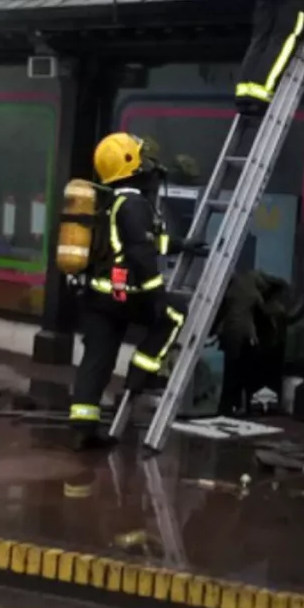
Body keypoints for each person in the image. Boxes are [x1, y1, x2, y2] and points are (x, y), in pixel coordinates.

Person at [68, 132, 206, 445]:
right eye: (142, 156)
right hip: (125, 295)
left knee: (97, 360)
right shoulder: (134, 203)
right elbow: (140, 251)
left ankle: (82, 430)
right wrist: (157, 295)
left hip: (96, 296)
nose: (149, 163)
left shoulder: (110, 201)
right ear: (130, 162)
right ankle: (141, 374)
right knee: (174, 313)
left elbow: (142, 240)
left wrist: (181, 244)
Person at [213, 270, 300, 417]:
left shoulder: (236, 288)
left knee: (232, 372)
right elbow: (268, 310)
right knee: (242, 373)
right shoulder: (254, 292)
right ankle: (241, 407)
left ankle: (228, 406)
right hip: (244, 337)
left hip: (231, 335)